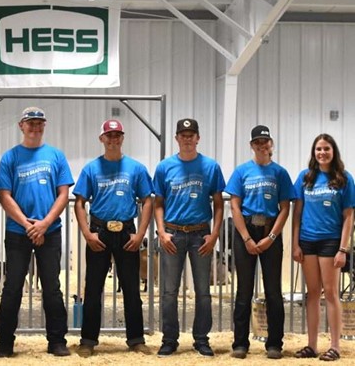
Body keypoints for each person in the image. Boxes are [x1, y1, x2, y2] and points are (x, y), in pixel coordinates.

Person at [0, 107, 74, 358]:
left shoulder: (56, 156)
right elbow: (4, 196)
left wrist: (45, 224)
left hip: (49, 232)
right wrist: (29, 225)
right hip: (19, 232)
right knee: (12, 288)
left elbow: (63, 194)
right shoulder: (10, 157)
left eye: (39, 123)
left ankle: (57, 341)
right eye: (31, 123)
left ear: (44, 125)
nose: (35, 127)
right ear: (21, 126)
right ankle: (5, 344)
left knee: (52, 287)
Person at [73, 119, 154, 357]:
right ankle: (88, 340)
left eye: (117, 135)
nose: (113, 139)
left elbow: (147, 200)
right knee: (94, 288)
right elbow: (79, 202)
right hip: (99, 232)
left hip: (127, 232)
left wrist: (141, 233)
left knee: (131, 288)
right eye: (109, 135)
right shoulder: (90, 169)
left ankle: (136, 339)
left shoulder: (136, 168)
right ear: (102, 139)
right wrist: (87, 233)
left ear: (123, 138)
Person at [153, 118, 225, 357]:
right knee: (169, 291)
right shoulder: (164, 167)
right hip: (172, 234)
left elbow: (218, 203)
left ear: (198, 138)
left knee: (203, 291)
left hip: (200, 234)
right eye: (183, 135)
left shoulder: (211, 166)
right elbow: (158, 203)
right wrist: (161, 232)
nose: (187, 138)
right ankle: (169, 339)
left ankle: (201, 339)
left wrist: (214, 234)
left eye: (191, 134)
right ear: (176, 138)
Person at [225, 125, 295, 360]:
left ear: (271, 144)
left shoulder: (280, 173)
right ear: (251, 145)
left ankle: (274, 344)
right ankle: (240, 344)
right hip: (246, 231)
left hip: (270, 231)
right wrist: (246, 237)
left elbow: (285, 208)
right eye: (257, 142)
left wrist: (271, 237)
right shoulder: (241, 171)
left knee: (273, 291)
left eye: (265, 141)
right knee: (243, 291)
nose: (261, 145)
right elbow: (234, 205)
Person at [292, 134, 355, 362]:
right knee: (312, 294)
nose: (322, 153)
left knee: (330, 292)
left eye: (326, 149)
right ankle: (311, 345)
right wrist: (295, 244)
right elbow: (297, 214)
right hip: (308, 241)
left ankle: (335, 346)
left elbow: (349, 216)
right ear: (313, 152)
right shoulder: (305, 177)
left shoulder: (344, 179)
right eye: (318, 149)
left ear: (333, 151)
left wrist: (343, 249)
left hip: (331, 241)